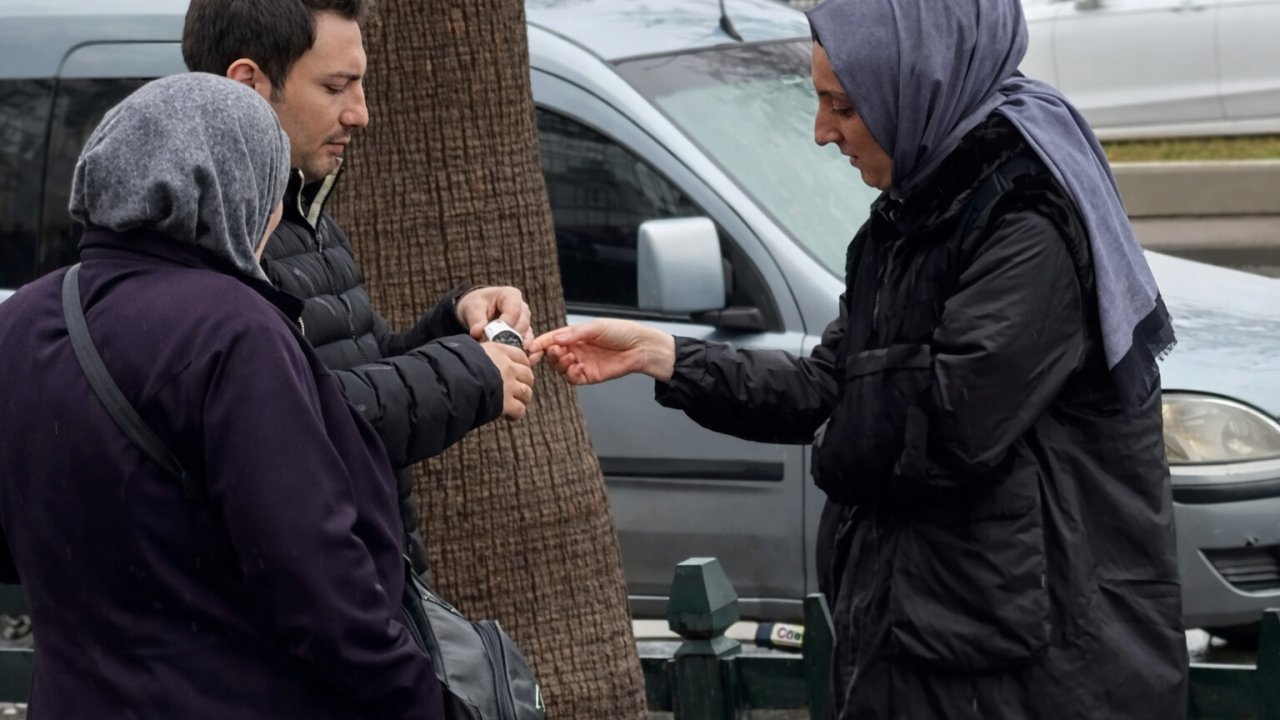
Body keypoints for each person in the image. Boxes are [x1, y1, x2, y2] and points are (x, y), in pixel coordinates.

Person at [530, 0, 1187, 717]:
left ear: (918, 85)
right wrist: (667, 357)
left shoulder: (1030, 218)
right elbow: (829, 382)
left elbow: (942, 421)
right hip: (932, 642)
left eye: (841, 105)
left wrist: (843, 428)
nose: (821, 133)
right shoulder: (914, 210)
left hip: (1024, 672)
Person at [0, 73, 443, 719]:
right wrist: (418, 696)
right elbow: (316, 579)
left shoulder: (22, 320)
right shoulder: (233, 331)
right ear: (236, 189)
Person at [181, 0, 537, 580]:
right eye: (335, 87)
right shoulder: (210, 237)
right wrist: (471, 372)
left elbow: (354, 368)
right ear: (247, 84)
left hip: (362, 592)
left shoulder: (300, 212)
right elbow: (296, 423)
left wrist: (455, 321)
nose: (360, 114)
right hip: (303, 621)